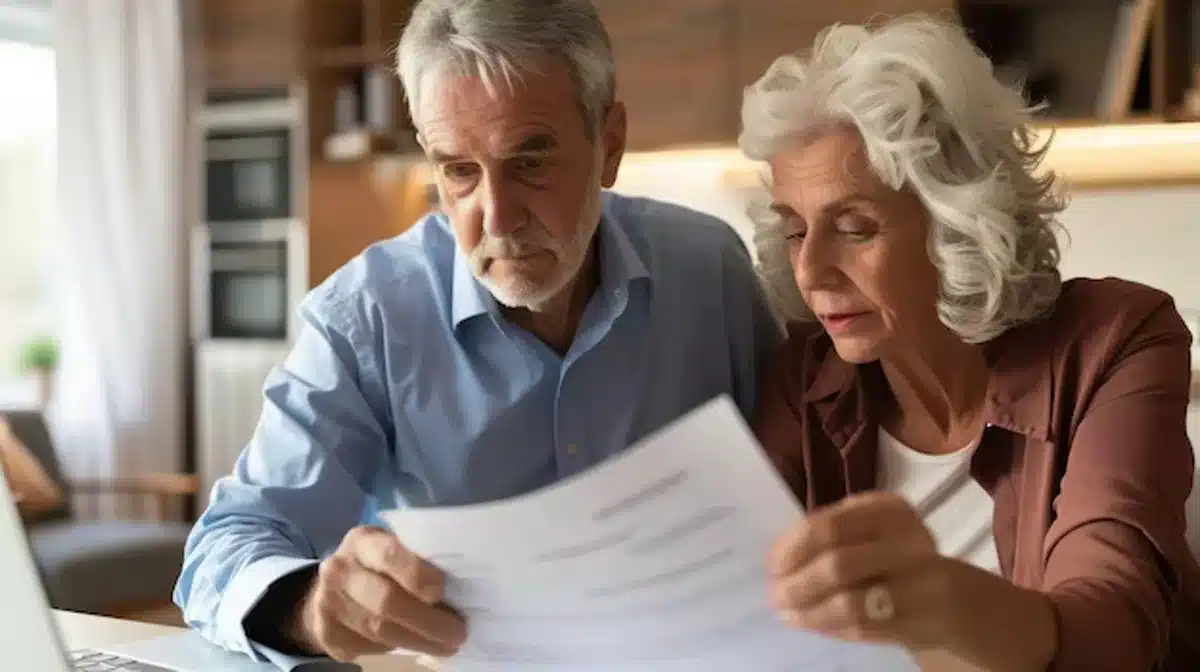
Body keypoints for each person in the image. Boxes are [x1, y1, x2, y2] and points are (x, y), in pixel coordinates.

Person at [173, 0, 781, 666]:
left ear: (609, 146)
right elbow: (226, 547)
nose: (496, 217)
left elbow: (797, 482)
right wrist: (310, 607)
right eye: (458, 170)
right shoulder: (366, 318)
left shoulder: (709, 271)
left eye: (529, 162)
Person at [743, 14, 1200, 672]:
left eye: (855, 227)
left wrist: (935, 600)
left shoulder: (1114, 340)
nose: (811, 271)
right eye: (795, 230)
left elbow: (1114, 631)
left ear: (957, 221)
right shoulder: (808, 381)